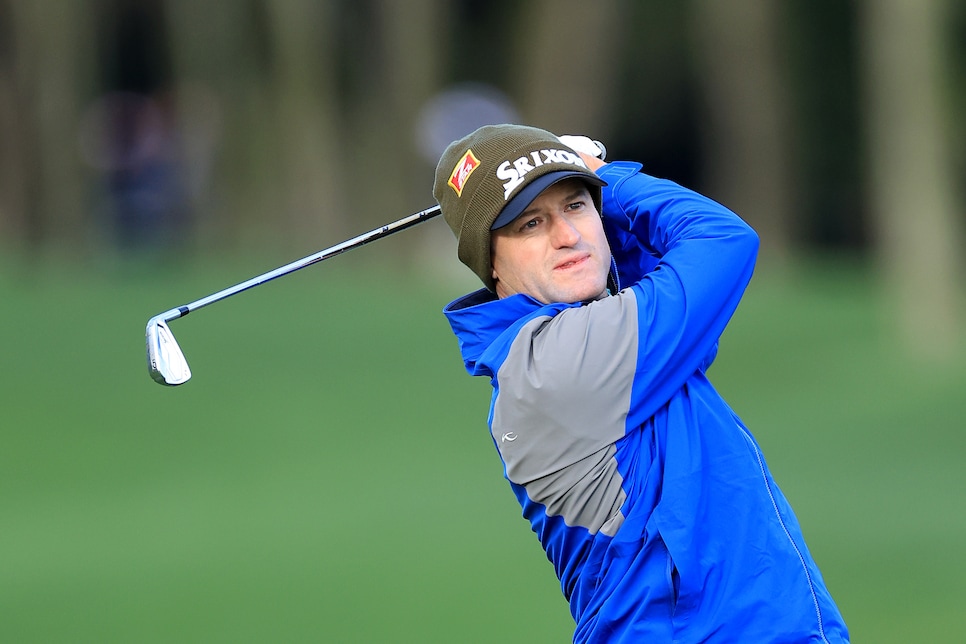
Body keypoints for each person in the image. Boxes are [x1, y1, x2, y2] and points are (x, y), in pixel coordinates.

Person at [433, 124, 849, 642]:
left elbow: (646, 273)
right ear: (491, 265)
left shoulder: (591, 346)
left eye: (577, 206)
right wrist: (605, 177)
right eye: (531, 224)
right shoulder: (559, 367)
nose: (567, 235)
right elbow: (720, 240)